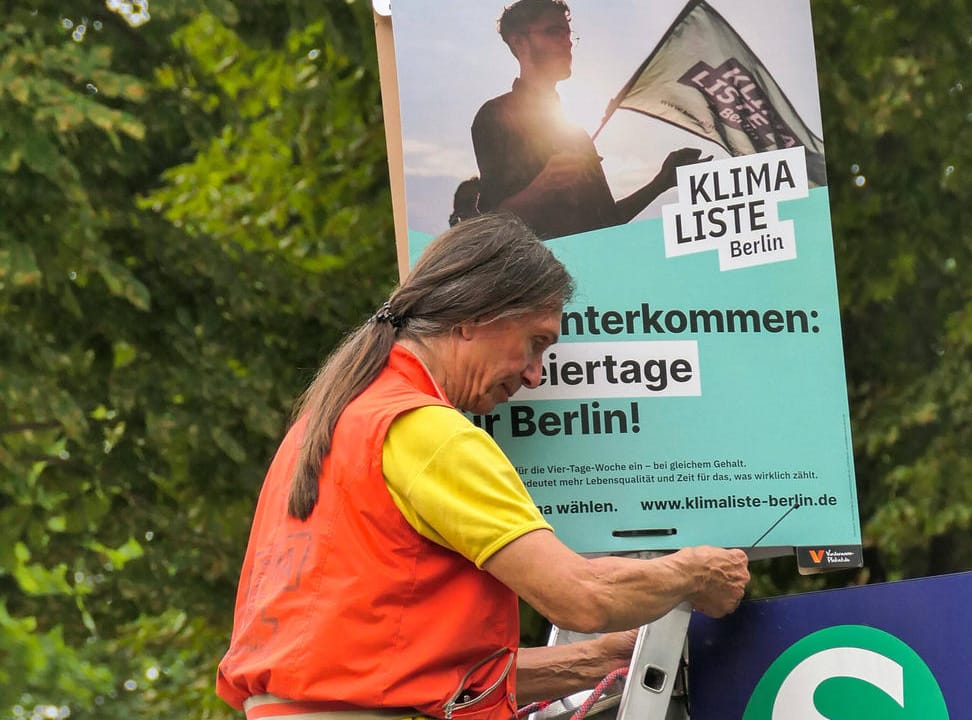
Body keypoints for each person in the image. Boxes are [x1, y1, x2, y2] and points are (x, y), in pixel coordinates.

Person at [216, 213, 749, 720]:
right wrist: (696, 570)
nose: (537, 375)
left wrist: (600, 659)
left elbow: (414, 674)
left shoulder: (331, 424)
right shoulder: (428, 432)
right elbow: (581, 598)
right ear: (473, 317)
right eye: (536, 343)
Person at [471, 0, 703, 240]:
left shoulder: (576, 136)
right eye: (553, 32)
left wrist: (660, 183)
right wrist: (543, 187)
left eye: (568, 34)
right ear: (519, 41)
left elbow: (607, 222)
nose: (567, 42)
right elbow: (494, 223)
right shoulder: (496, 116)